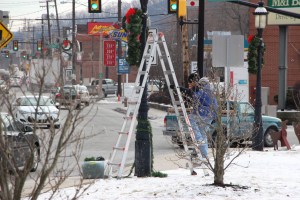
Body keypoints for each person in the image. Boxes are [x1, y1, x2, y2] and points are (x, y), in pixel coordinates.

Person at [178, 73, 218, 159]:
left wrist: (181, 89)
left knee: (191, 119)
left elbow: (195, 95)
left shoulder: (202, 89)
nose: (189, 85)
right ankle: (204, 155)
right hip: (210, 114)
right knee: (203, 133)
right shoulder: (209, 89)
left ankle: (199, 141)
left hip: (204, 113)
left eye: (190, 83)